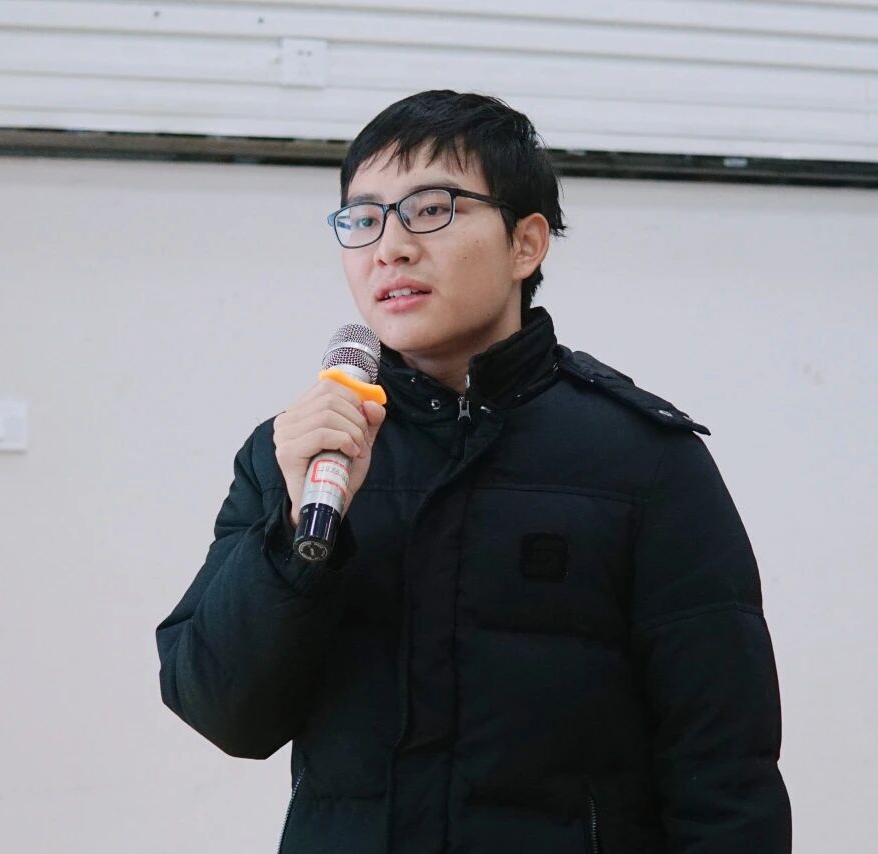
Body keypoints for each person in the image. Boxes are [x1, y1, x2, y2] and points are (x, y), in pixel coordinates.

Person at [156, 89, 791, 853]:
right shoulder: (293, 452)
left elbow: (725, 772)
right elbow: (225, 713)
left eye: (431, 209)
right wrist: (295, 535)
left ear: (526, 243)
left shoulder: (644, 460)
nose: (390, 248)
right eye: (363, 219)